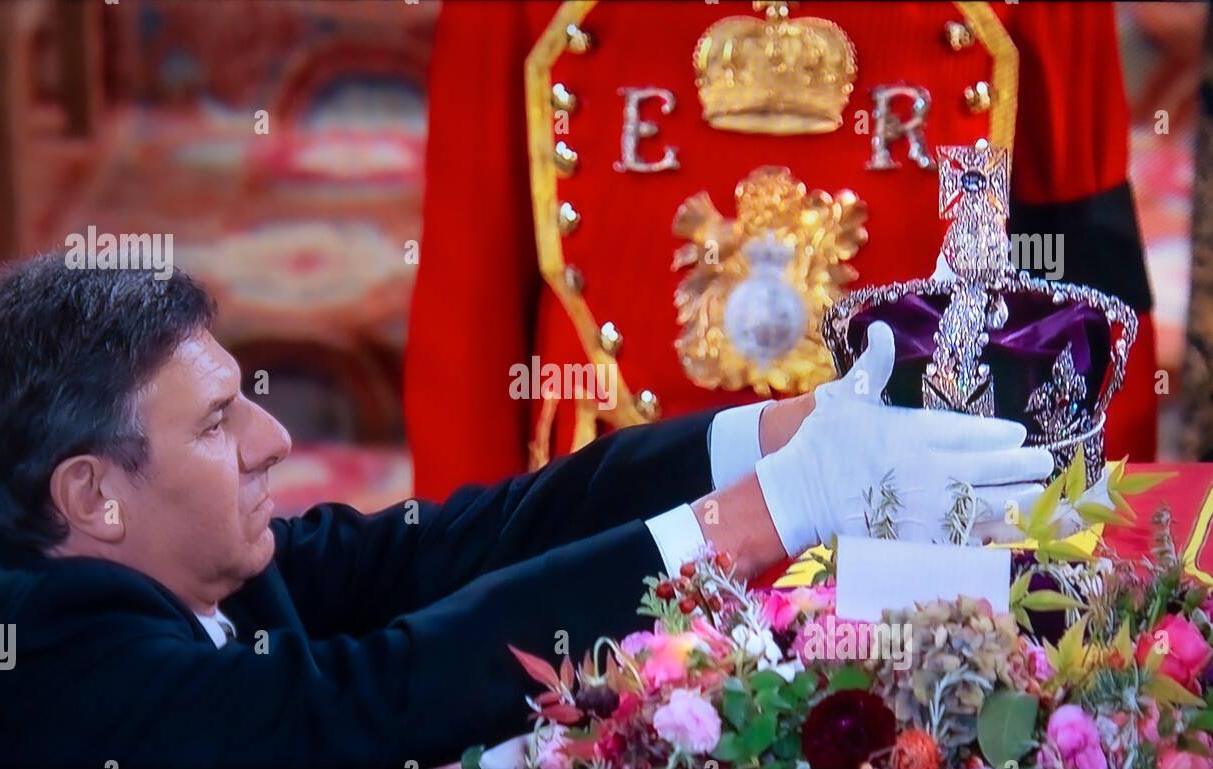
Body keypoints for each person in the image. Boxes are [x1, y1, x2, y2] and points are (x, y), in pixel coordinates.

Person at [0, 256, 1049, 768]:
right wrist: (748, 524)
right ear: (91, 493)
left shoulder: (160, 552)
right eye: (215, 424)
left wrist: (763, 438)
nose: (274, 440)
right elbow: (357, 711)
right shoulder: (17, 654)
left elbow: (459, 546)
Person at [405, 0, 1157, 500]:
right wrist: (464, 604)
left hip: (926, 523)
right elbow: (469, 298)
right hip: (597, 515)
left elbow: (1089, 288)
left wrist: (1091, 583)